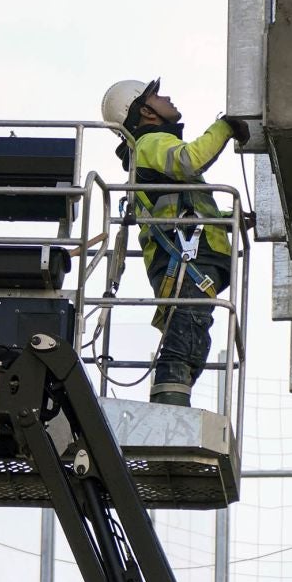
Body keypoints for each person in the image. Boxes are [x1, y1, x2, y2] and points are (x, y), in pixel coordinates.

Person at [100, 79, 249, 407]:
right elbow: (190, 159)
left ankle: (171, 405)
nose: (166, 97)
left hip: (184, 259)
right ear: (146, 111)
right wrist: (224, 127)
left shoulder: (147, 152)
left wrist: (229, 218)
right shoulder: (153, 142)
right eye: (156, 95)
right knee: (186, 337)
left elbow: (180, 207)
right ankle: (169, 408)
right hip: (186, 259)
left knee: (192, 335)